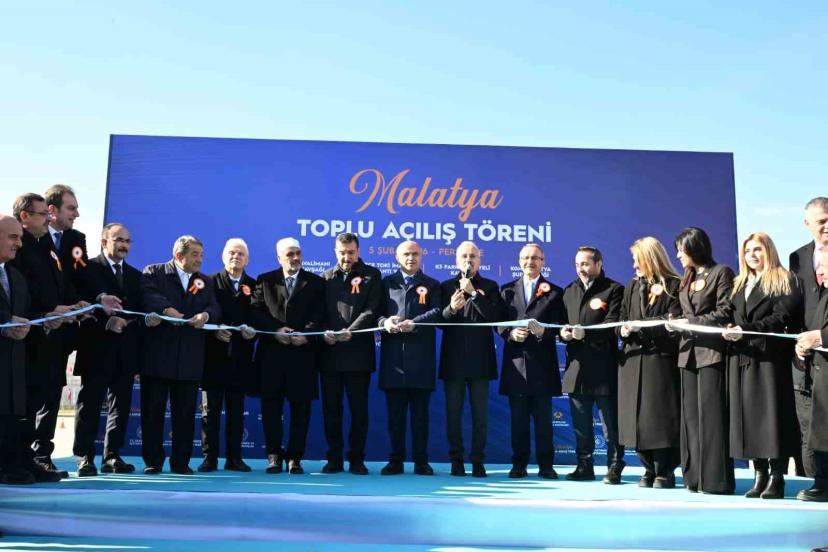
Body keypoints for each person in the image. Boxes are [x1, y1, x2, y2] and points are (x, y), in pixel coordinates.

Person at [10, 193, 85, 481]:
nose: (48, 219)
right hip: (27, 339)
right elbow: (22, 294)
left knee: (39, 400)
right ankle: (17, 461)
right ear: (25, 216)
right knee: (24, 404)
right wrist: (47, 312)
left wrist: (74, 304)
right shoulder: (20, 249)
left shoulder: (46, 246)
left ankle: (30, 459)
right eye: (43, 214)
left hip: (50, 339)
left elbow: (58, 284)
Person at [722, 232, 799, 499]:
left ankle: (777, 477)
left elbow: (780, 318)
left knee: (771, 418)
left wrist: (745, 330)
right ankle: (760, 474)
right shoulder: (739, 283)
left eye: (757, 250)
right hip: (742, 357)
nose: (752, 256)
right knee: (749, 419)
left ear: (768, 251)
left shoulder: (783, 279)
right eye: (747, 251)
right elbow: (731, 315)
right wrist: (729, 329)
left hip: (769, 360)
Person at [73, 223, 151, 476]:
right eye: (118, 239)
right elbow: (81, 308)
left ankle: (112, 456)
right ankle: (84, 457)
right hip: (96, 350)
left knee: (121, 407)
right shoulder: (87, 269)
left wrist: (133, 323)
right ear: (104, 241)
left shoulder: (136, 276)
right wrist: (105, 323)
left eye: (127, 241)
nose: (124, 245)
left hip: (126, 354)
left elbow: (138, 313)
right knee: (90, 406)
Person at [140, 235, 220, 475]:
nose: (200, 260)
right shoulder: (154, 272)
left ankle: (180, 462)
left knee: (185, 414)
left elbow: (214, 306)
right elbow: (148, 295)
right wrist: (166, 309)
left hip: (189, 358)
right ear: (178, 255)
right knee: (153, 412)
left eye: (201, 255)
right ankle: (153, 461)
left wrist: (206, 316)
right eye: (195, 255)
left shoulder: (205, 281)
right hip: (157, 357)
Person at [668, 227, 735, 494]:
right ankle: (694, 477)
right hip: (687, 355)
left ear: (694, 248)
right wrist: (675, 323)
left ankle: (715, 480)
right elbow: (683, 312)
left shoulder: (721, 273)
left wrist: (691, 323)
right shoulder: (686, 277)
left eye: (681, 250)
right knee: (691, 420)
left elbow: (725, 311)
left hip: (711, 354)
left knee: (711, 418)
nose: (678, 255)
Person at [250, 237, 324, 475]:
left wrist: (307, 334)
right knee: (271, 409)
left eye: (298, 253)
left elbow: (320, 314)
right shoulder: (265, 280)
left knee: (301, 410)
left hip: (303, 356)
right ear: (279, 257)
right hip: (271, 356)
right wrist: (275, 330)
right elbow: (256, 311)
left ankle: (295, 458)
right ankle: (274, 456)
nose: (295, 258)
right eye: (290, 254)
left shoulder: (316, 282)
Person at [618, 237, 682, 489]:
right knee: (636, 419)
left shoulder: (674, 285)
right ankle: (647, 468)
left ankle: (664, 469)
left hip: (660, 361)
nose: (634, 265)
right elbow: (621, 317)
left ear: (651, 259)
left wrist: (644, 327)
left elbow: (674, 322)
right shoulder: (632, 286)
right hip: (633, 361)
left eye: (638, 260)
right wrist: (623, 330)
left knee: (660, 417)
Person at [498, 243, 564, 479]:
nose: (530, 262)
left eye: (535, 258)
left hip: (543, 366)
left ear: (543, 262)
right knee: (518, 422)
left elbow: (560, 326)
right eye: (525, 258)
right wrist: (510, 333)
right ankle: (519, 464)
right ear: (519, 261)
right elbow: (498, 322)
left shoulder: (555, 292)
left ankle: (546, 465)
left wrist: (543, 332)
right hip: (516, 365)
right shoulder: (506, 290)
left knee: (544, 422)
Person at [440, 241, 505, 478]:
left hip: (481, 361)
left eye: (473, 256)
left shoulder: (490, 286)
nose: (468, 260)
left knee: (480, 417)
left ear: (479, 260)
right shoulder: (446, 286)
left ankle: (478, 461)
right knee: (453, 415)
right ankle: (456, 461)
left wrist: (474, 294)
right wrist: (451, 309)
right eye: (464, 256)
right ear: (456, 260)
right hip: (453, 361)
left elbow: (495, 318)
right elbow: (439, 322)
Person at [560, 246, 625, 484]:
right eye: (577, 264)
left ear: (599, 263)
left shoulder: (614, 289)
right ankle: (584, 465)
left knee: (610, 424)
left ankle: (615, 466)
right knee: (581, 424)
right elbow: (561, 324)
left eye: (585, 264)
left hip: (604, 367)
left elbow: (613, 325)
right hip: (576, 369)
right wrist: (564, 334)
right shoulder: (569, 290)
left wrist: (585, 334)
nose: (581, 269)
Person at [377, 240, 441, 476]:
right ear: (397, 257)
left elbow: (437, 313)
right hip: (393, 362)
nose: (411, 258)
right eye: (406, 254)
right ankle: (395, 460)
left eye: (415, 254)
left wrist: (414, 324)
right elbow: (375, 314)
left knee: (420, 417)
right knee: (395, 417)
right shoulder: (386, 283)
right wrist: (385, 322)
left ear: (421, 256)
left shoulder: (432, 284)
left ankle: (421, 462)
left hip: (421, 362)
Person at [320, 233, 382, 475]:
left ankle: (357, 459)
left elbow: (372, 309)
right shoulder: (326, 277)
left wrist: (351, 331)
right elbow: (319, 312)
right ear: (335, 251)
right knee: (331, 411)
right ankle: (334, 459)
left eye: (351, 252)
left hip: (359, 354)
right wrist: (324, 331)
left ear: (358, 251)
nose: (346, 257)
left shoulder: (372, 276)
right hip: (330, 354)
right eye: (342, 252)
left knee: (359, 411)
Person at [198, 238, 257, 473]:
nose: (236, 257)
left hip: (241, 358)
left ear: (247, 260)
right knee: (210, 412)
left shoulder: (254, 285)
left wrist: (252, 330)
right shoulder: (208, 282)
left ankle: (234, 458)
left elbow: (258, 316)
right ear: (223, 257)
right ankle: (209, 458)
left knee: (236, 411)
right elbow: (199, 314)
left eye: (240, 254)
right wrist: (214, 331)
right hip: (213, 357)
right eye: (231, 253)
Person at [789, 197, 828, 478]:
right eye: (822, 221)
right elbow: (795, 305)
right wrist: (798, 341)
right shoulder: (798, 257)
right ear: (807, 223)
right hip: (806, 359)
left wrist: (822, 336)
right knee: (810, 423)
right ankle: (818, 481)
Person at [0, 215, 33, 485]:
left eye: (20, 238)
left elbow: (24, 314)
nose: (19, 244)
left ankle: (10, 466)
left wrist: (44, 319)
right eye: (13, 237)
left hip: (11, 367)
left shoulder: (17, 276)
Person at [795, 249, 828, 502]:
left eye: (825, 267)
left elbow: (821, 334)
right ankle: (823, 482)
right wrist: (803, 344)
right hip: (819, 371)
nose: (820, 272)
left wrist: (821, 337)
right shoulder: (823, 296)